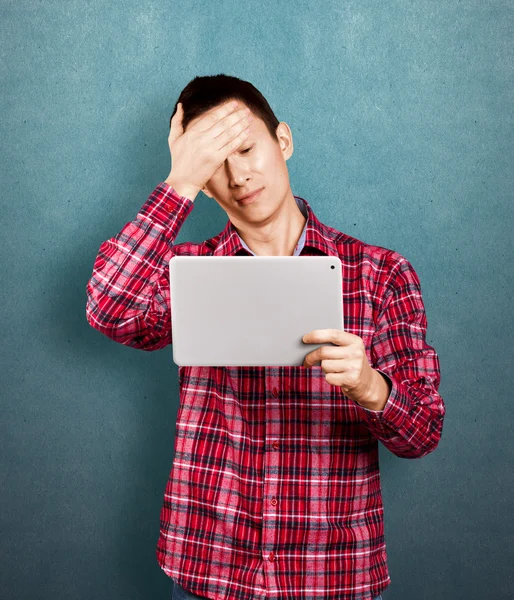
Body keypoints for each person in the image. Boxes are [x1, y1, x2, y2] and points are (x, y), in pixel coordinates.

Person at [85, 74, 446, 600]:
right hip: (208, 567)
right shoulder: (187, 271)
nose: (238, 175)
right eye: (214, 162)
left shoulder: (380, 274)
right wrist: (179, 181)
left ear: (284, 141)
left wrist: (370, 387)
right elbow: (108, 308)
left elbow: (424, 432)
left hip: (331, 573)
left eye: (248, 148)